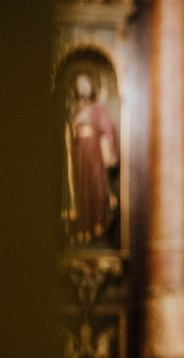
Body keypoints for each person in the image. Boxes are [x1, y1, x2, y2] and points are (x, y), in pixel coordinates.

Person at [61, 72, 118, 246]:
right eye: (79, 83)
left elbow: (107, 128)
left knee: (96, 187)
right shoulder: (73, 108)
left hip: (93, 151)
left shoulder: (97, 108)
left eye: (85, 83)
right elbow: (67, 130)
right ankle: (81, 229)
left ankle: (98, 226)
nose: (83, 87)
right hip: (79, 152)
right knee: (80, 189)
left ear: (91, 85)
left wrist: (108, 148)